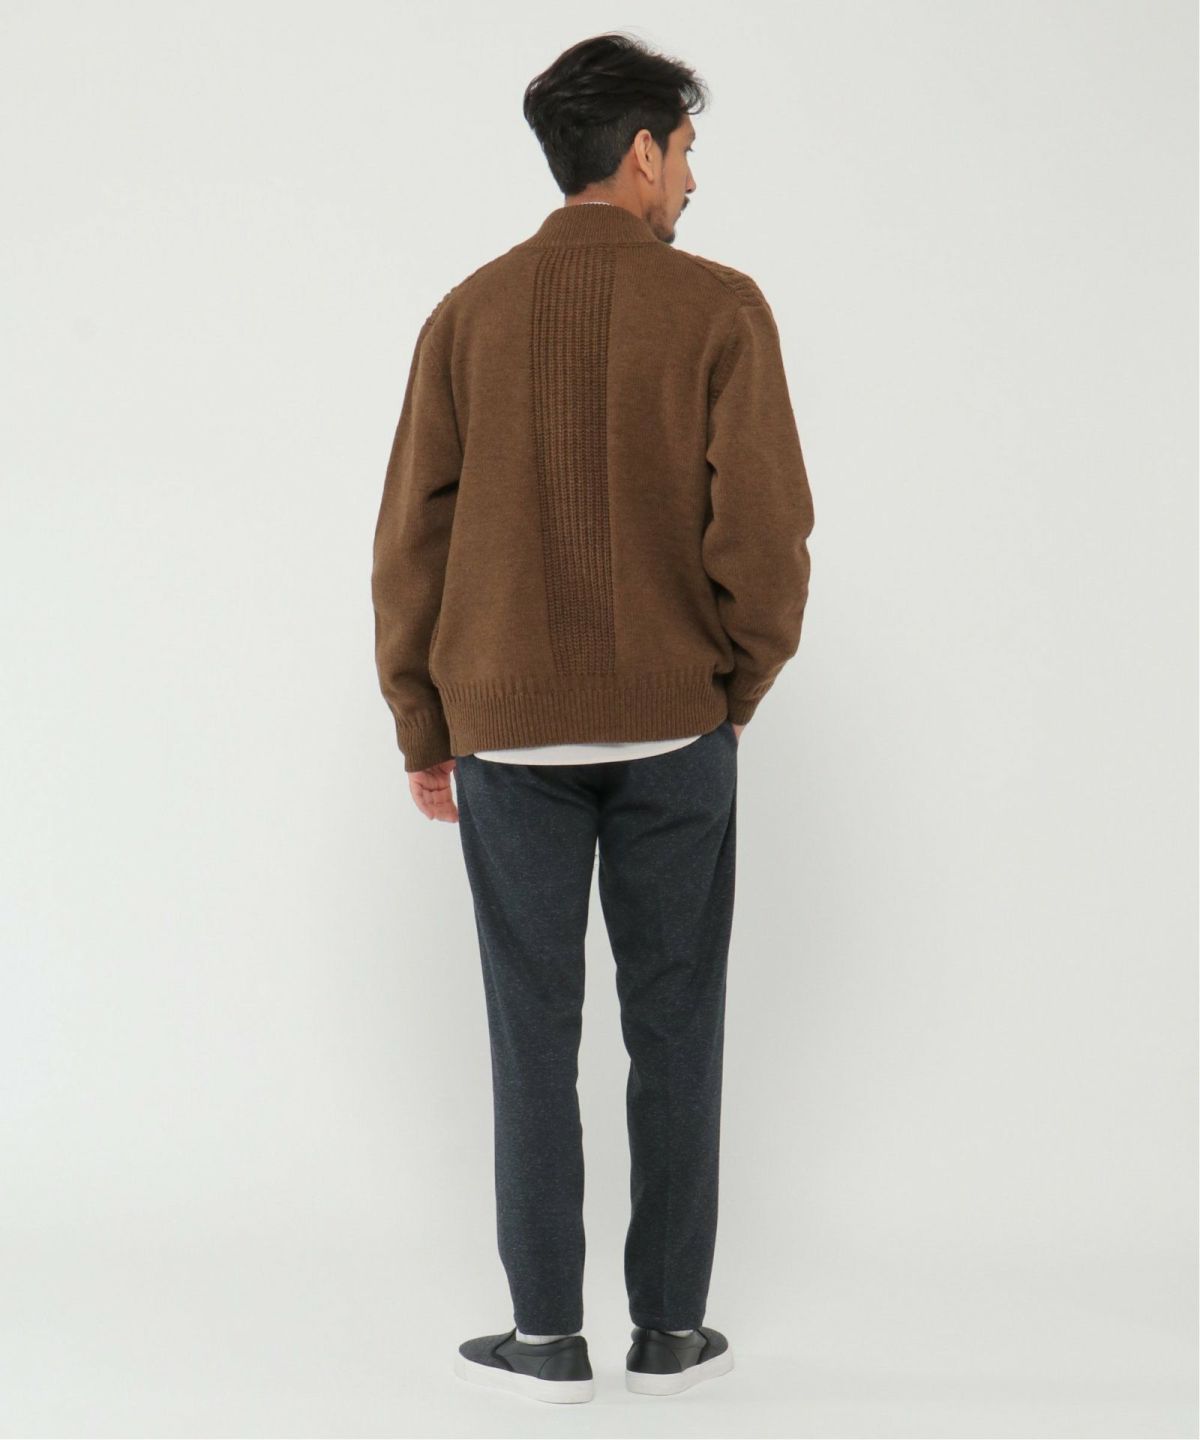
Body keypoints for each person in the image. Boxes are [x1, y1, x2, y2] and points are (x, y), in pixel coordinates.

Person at [370, 30, 815, 1405]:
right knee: (678, 1027)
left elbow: (409, 540)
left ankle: (546, 1336)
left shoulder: (467, 314)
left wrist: (423, 723)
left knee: (531, 1036)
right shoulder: (720, 308)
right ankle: (671, 1331)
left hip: (508, 740)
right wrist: (733, 689)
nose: (691, 180)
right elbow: (767, 534)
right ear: (640, 152)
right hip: (678, 731)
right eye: (685, 152)